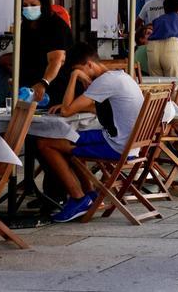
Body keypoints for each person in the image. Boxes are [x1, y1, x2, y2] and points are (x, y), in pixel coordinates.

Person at [38, 43, 145, 223]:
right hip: (130, 144)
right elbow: (97, 107)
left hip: (117, 146)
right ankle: (89, 193)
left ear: (89, 65)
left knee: (45, 143)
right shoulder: (121, 76)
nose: (81, 76)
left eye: (79, 70)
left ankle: (78, 198)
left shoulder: (104, 81)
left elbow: (66, 111)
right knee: (69, 138)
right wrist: (72, 104)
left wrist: (74, 77)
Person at [19, 0, 73, 105]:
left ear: (43, 4)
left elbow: (57, 60)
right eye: (25, 5)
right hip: (29, 90)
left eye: (33, 5)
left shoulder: (56, 26)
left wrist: (44, 83)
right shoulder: (25, 26)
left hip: (52, 90)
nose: (28, 8)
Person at [146, 0, 178, 78]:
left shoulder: (157, 20)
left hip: (152, 48)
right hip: (171, 47)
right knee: (173, 83)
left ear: (165, 9)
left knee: (156, 84)